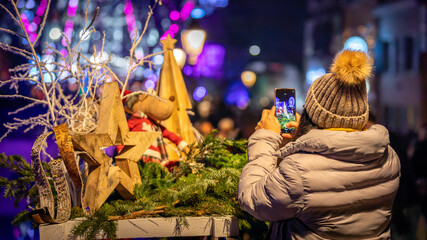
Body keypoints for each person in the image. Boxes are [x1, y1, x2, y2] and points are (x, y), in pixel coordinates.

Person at [238, 50, 401, 239]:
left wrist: (265, 137)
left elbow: (252, 199)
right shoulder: (389, 157)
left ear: (314, 114)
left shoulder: (298, 170)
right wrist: (307, 135)